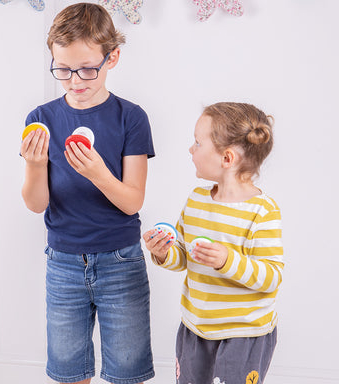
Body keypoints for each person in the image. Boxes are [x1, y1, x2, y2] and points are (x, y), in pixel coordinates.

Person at [20, 3, 155, 384]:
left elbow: (132, 201)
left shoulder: (131, 117)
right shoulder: (41, 119)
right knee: (68, 370)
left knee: (127, 370)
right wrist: (34, 165)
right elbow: (36, 204)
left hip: (120, 260)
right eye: (62, 69)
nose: (75, 81)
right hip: (63, 261)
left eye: (86, 69)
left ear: (112, 58)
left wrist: (98, 173)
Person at [143, 102, 284, 384]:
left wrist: (226, 261)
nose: (190, 150)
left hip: (244, 334)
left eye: (197, 143)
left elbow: (271, 277)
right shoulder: (196, 200)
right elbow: (183, 257)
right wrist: (163, 253)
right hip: (196, 327)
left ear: (227, 158)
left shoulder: (262, 211)